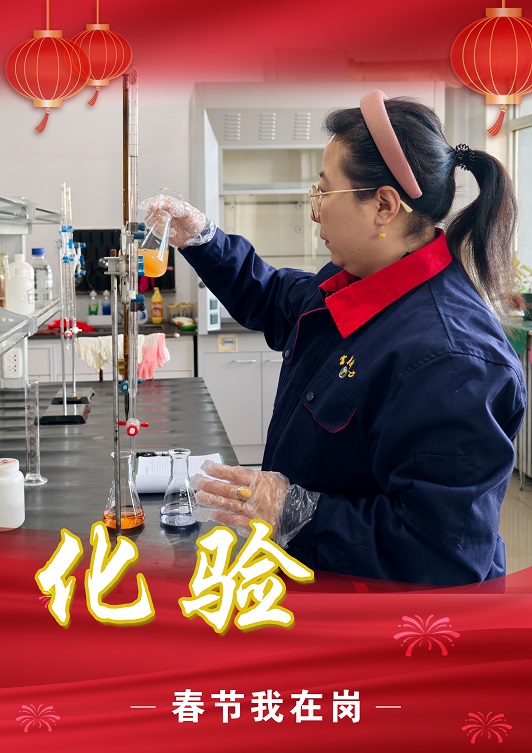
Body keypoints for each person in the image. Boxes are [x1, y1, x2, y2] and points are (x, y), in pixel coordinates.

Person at [145, 90, 526, 586]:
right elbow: (277, 297)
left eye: (325, 192)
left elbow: (440, 553)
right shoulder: (359, 278)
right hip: (313, 580)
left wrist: (294, 510)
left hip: (384, 621)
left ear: (384, 205)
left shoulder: (451, 358)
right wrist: (203, 239)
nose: (315, 211)